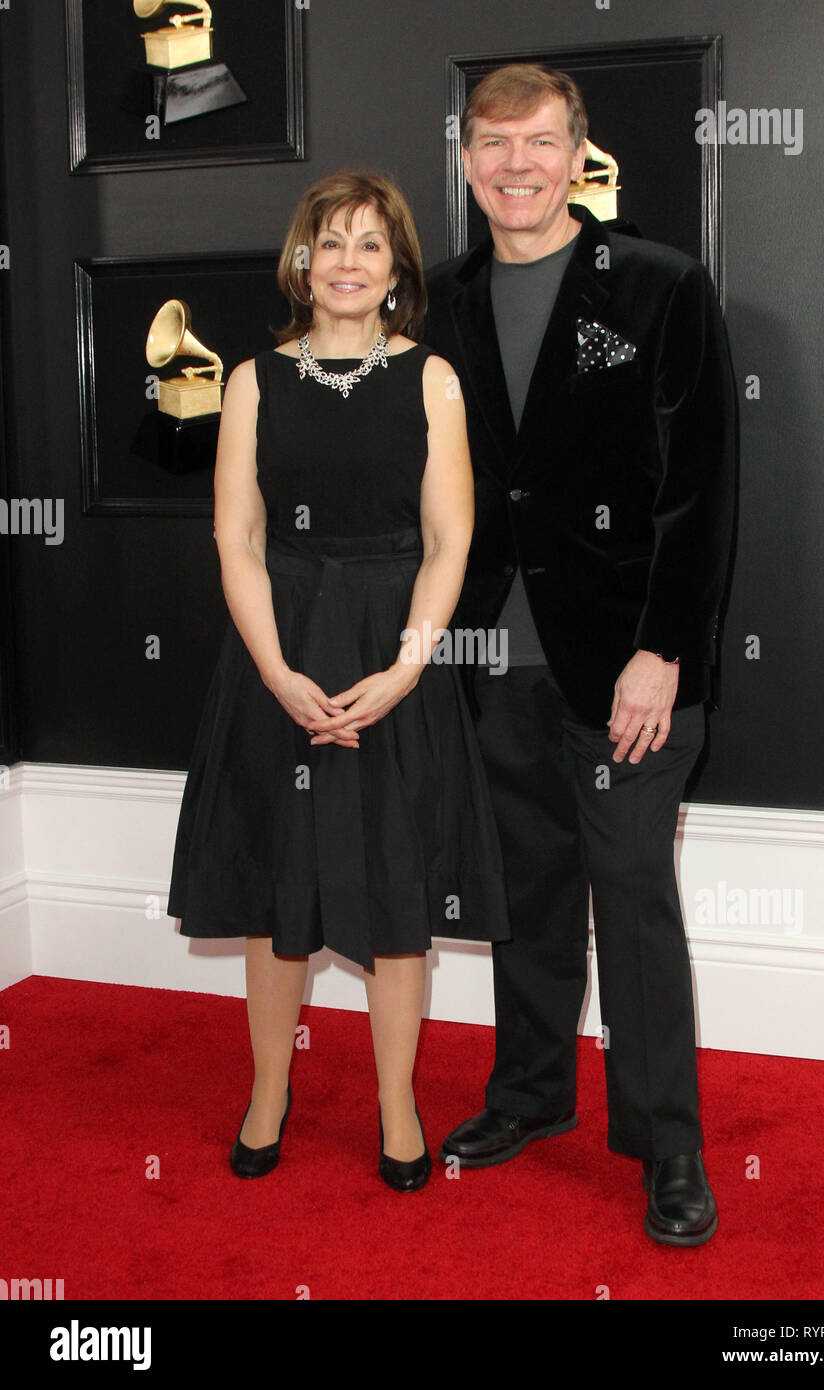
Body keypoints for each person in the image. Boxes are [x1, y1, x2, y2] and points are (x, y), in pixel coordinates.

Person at [422, 64, 737, 1245]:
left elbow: (699, 494)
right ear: (466, 159)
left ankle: (667, 1147)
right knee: (524, 900)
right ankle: (529, 1095)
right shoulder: (437, 302)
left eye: (539, 142)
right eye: (494, 144)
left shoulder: (658, 286)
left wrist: (664, 652)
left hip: (624, 670)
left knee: (634, 903)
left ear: (576, 154)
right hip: (488, 662)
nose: (516, 164)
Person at [166, 169, 510, 1191]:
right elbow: (237, 538)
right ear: (301, 262)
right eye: (331, 242)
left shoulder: (434, 379)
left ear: (398, 267)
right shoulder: (251, 380)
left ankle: (396, 1102)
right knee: (279, 894)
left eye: (371, 244)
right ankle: (268, 1092)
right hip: (280, 648)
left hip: (393, 653)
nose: (349, 262)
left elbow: (451, 542)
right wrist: (275, 670)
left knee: (396, 891)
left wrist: (405, 670)